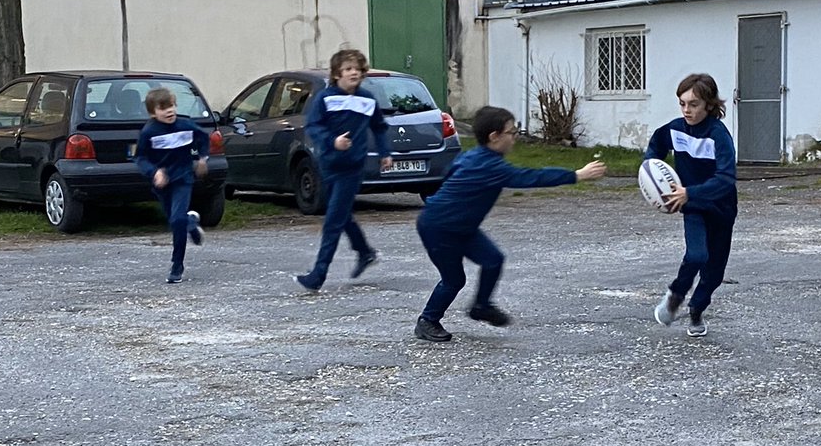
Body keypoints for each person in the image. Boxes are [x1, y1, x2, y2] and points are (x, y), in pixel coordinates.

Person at [413, 105, 606, 342]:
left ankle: (481, 307)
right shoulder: (489, 166)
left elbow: (450, 174)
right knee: (454, 280)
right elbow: (531, 177)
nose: (515, 138)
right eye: (512, 133)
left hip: (461, 227)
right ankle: (427, 320)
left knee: (493, 260)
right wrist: (576, 175)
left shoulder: (474, 156)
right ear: (494, 137)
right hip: (439, 228)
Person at [645, 73, 738, 338]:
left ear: (708, 105)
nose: (687, 109)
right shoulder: (674, 129)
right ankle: (675, 295)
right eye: (682, 103)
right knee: (697, 255)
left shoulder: (719, 136)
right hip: (693, 206)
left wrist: (691, 191)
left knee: (714, 273)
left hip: (721, 209)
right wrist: (651, 174)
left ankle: (696, 309)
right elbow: (654, 150)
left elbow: (726, 179)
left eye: (693, 104)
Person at [295, 49, 392, 291]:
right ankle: (365, 252)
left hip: (352, 167)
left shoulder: (368, 100)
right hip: (328, 165)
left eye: (358, 69)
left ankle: (318, 274)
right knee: (341, 214)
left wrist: (385, 153)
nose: (354, 73)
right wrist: (333, 141)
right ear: (338, 73)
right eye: (348, 69)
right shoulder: (326, 98)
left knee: (333, 221)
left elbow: (379, 128)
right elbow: (313, 127)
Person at [134, 87, 210, 284]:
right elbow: (141, 158)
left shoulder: (186, 126)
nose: (170, 111)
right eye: (163, 108)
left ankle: (177, 265)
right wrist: (155, 172)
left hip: (183, 178)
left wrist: (201, 159)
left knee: (176, 221)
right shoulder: (149, 132)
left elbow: (202, 139)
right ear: (153, 112)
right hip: (162, 183)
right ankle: (191, 223)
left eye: (172, 106)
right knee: (175, 219)